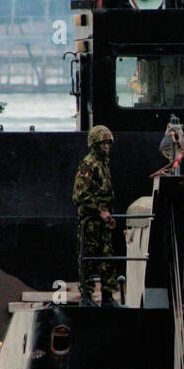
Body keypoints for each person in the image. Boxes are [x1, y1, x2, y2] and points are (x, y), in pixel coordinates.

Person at [72, 125, 117, 306]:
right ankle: (87, 296)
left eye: (108, 143)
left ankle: (108, 296)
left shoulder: (103, 165)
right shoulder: (88, 165)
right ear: (94, 144)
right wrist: (100, 211)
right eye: (102, 143)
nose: (106, 146)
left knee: (107, 259)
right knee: (88, 260)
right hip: (90, 222)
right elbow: (80, 195)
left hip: (103, 222)